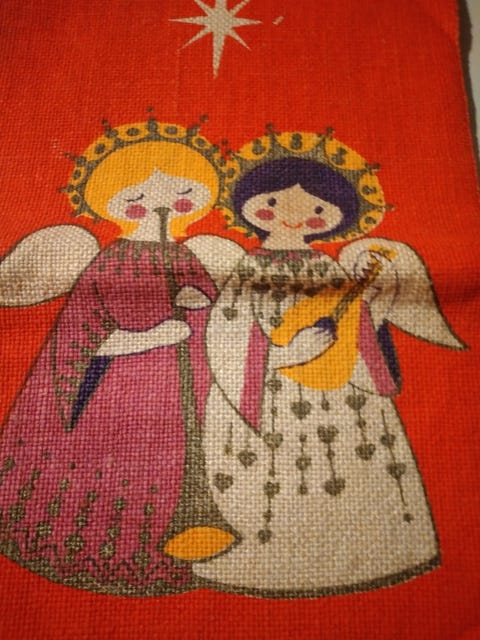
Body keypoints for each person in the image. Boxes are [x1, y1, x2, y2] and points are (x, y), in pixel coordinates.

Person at [194, 149, 465, 597]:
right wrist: (282, 355)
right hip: (268, 394)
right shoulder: (249, 267)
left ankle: (373, 549)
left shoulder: (328, 267)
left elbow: (352, 325)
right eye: (274, 202)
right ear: (249, 207)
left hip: (339, 395)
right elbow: (228, 332)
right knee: (270, 470)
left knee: (346, 465)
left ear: (334, 220)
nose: (294, 216)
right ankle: (266, 550)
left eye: (317, 209)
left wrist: (373, 312)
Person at [0, 120, 244, 596]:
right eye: (138, 196)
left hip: (192, 392)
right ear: (110, 204)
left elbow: (221, 323)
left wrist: (202, 306)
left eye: (182, 193)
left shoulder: (190, 257)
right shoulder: (111, 261)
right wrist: (149, 337)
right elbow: (81, 341)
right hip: (115, 397)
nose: (159, 205)